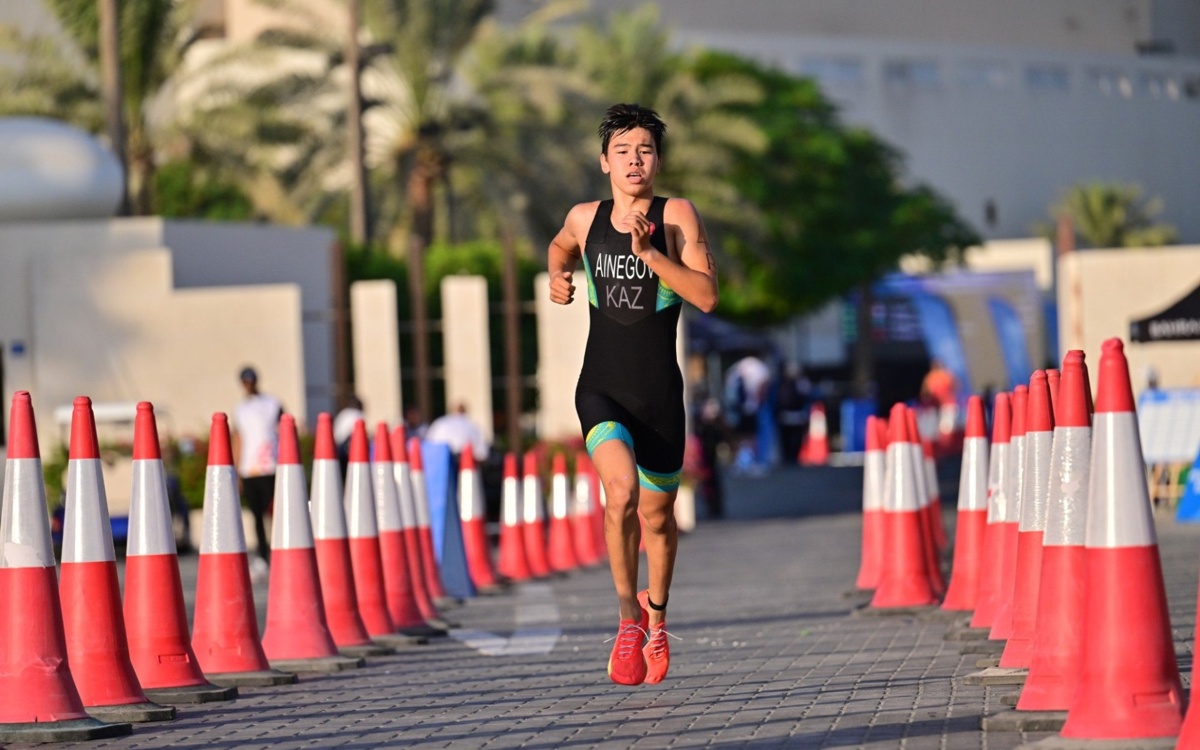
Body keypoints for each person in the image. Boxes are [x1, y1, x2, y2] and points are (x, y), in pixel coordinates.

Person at [547, 103, 718, 686]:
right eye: (622, 150)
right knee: (619, 492)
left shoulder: (677, 216)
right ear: (604, 162)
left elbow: (707, 297)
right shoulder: (584, 218)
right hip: (602, 388)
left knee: (658, 518)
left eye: (644, 150)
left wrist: (650, 254)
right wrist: (558, 276)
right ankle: (627, 621)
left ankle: (657, 617)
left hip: (659, 397)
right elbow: (559, 248)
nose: (634, 160)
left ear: (658, 161)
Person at [231, 366, 282, 577]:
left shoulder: (272, 403)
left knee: (275, 514)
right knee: (257, 516)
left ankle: (279, 553)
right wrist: (236, 471)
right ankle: (262, 556)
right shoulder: (240, 410)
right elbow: (238, 439)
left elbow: (284, 431)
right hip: (249, 469)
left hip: (270, 466)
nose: (248, 384)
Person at [425, 403, 489, 462]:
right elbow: (482, 453)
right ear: (465, 411)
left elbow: (428, 445)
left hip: (442, 461)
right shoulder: (472, 426)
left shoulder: (439, 423)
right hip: (465, 463)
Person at [776, 363, 813, 464]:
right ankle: (790, 458)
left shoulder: (798, 383)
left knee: (793, 438)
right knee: (790, 438)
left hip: (794, 415)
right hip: (790, 415)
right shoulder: (784, 384)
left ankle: (792, 458)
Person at [333, 394, 366, 479]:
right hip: (348, 449)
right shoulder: (358, 414)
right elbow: (359, 434)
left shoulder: (343, 413)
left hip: (337, 447)